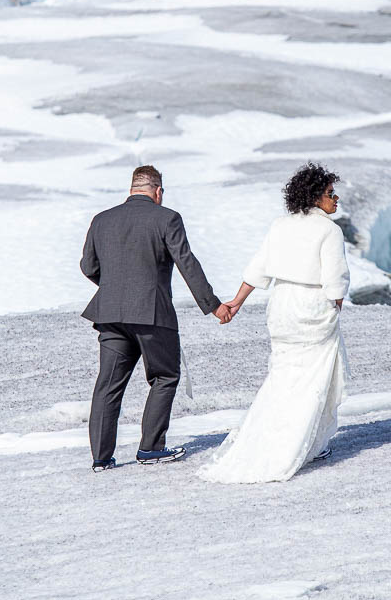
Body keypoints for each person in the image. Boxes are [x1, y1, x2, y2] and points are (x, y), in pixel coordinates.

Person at [198, 162, 350, 484]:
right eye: (330, 194)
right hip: (312, 305)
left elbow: (258, 268)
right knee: (313, 380)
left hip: (281, 305)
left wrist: (235, 302)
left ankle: (269, 439)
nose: (336, 199)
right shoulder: (329, 230)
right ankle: (305, 444)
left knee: (283, 376)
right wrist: (335, 305)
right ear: (314, 197)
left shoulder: (281, 225)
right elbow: (335, 279)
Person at [80, 164, 231, 472]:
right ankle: (150, 448)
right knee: (164, 376)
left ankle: (101, 458)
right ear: (158, 191)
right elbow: (186, 263)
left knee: (107, 385)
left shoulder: (101, 220)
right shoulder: (167, 218)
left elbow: (88, 266)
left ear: (132, 188)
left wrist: (114, 288)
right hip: (152, 313)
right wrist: (213, 305)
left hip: (109, 314)